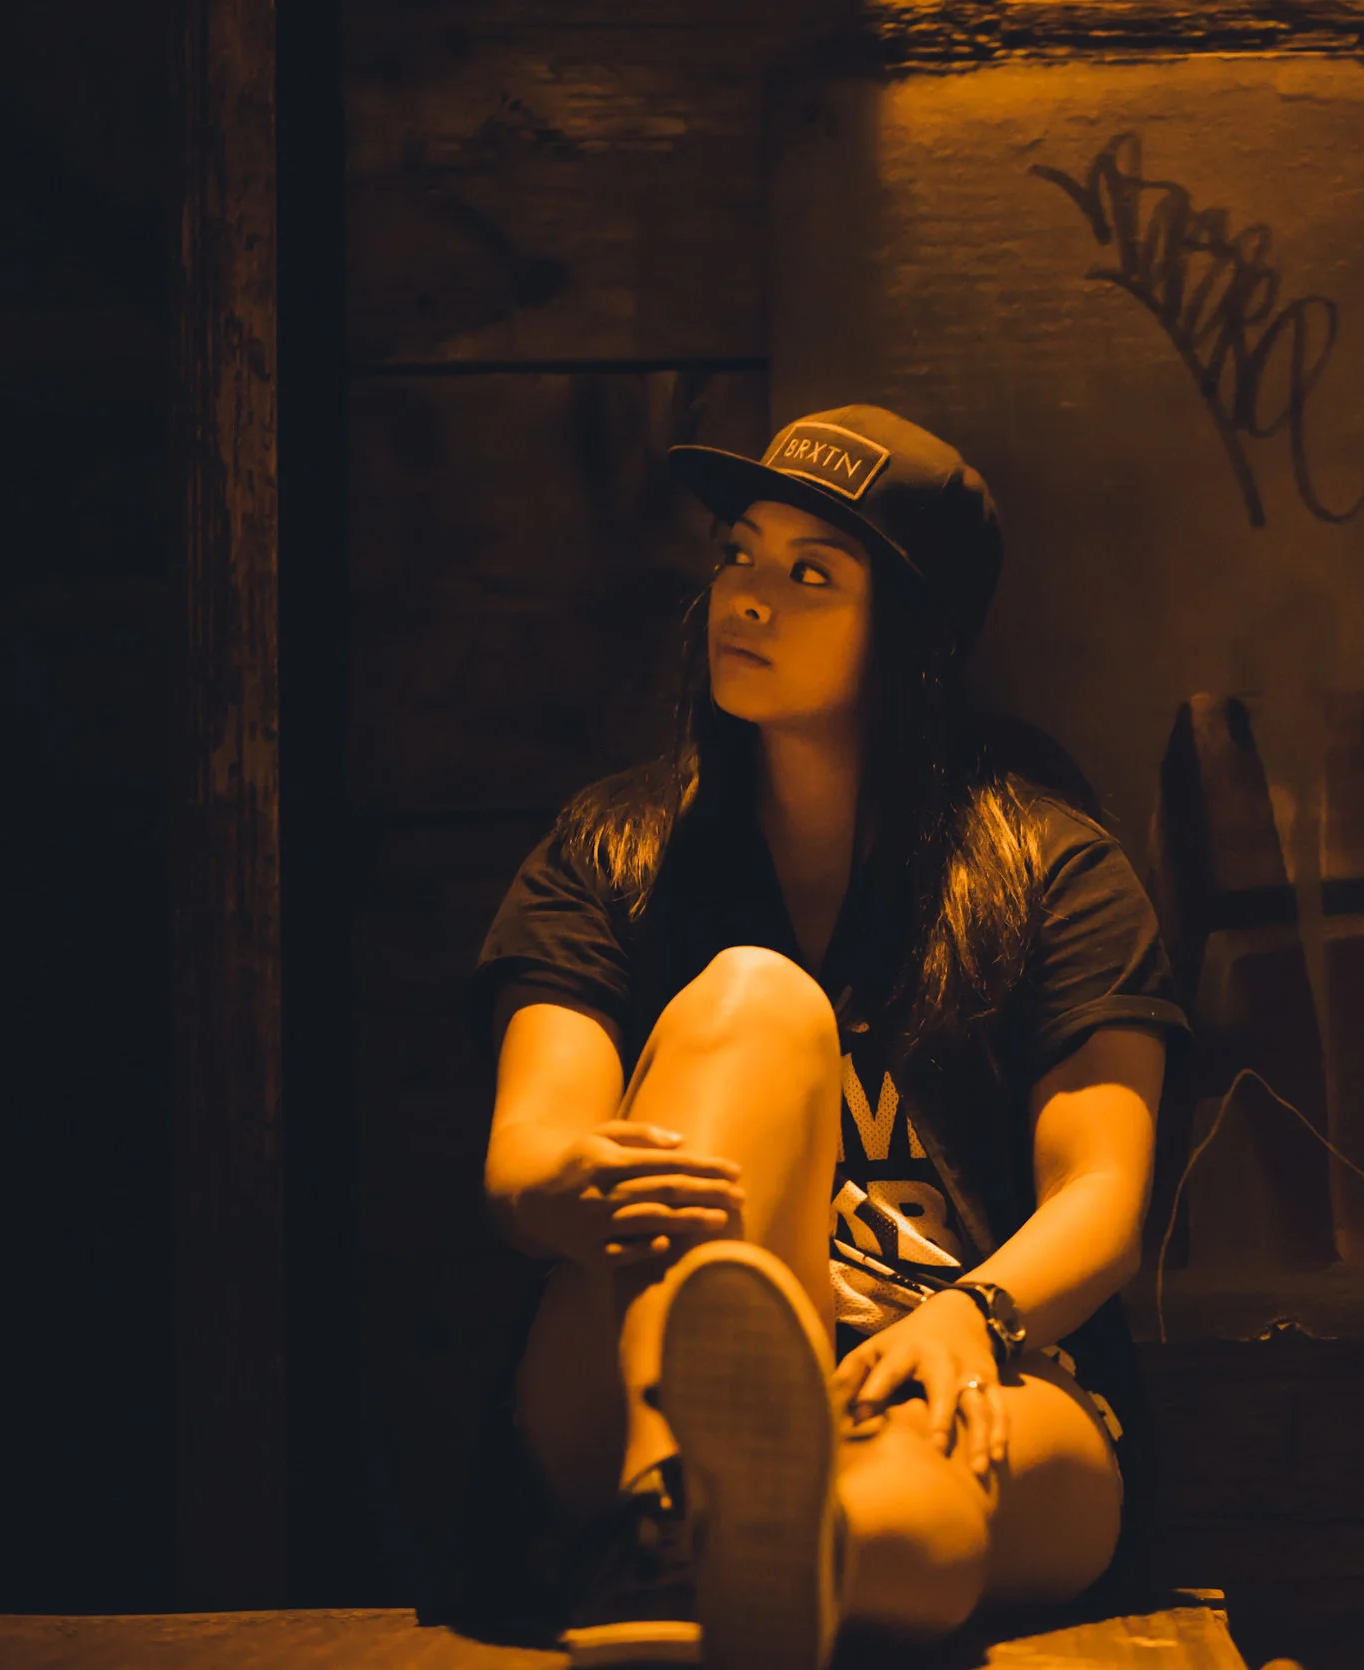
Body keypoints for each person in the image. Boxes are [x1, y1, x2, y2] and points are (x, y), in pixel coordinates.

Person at [463, 406, 1189, 1670]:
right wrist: (571, 1185)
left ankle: (780, 1555)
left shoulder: (1048, 866)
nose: (748, 596)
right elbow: (526, 1149)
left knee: (932, 1463)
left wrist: (975, 1313)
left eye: (811, 574)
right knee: (755, 997)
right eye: (736, 553)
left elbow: (1102, 1196)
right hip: (636, 1375)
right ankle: (684, 1506)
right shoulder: (615, 851)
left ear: (909, 630)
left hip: (948, 1349)